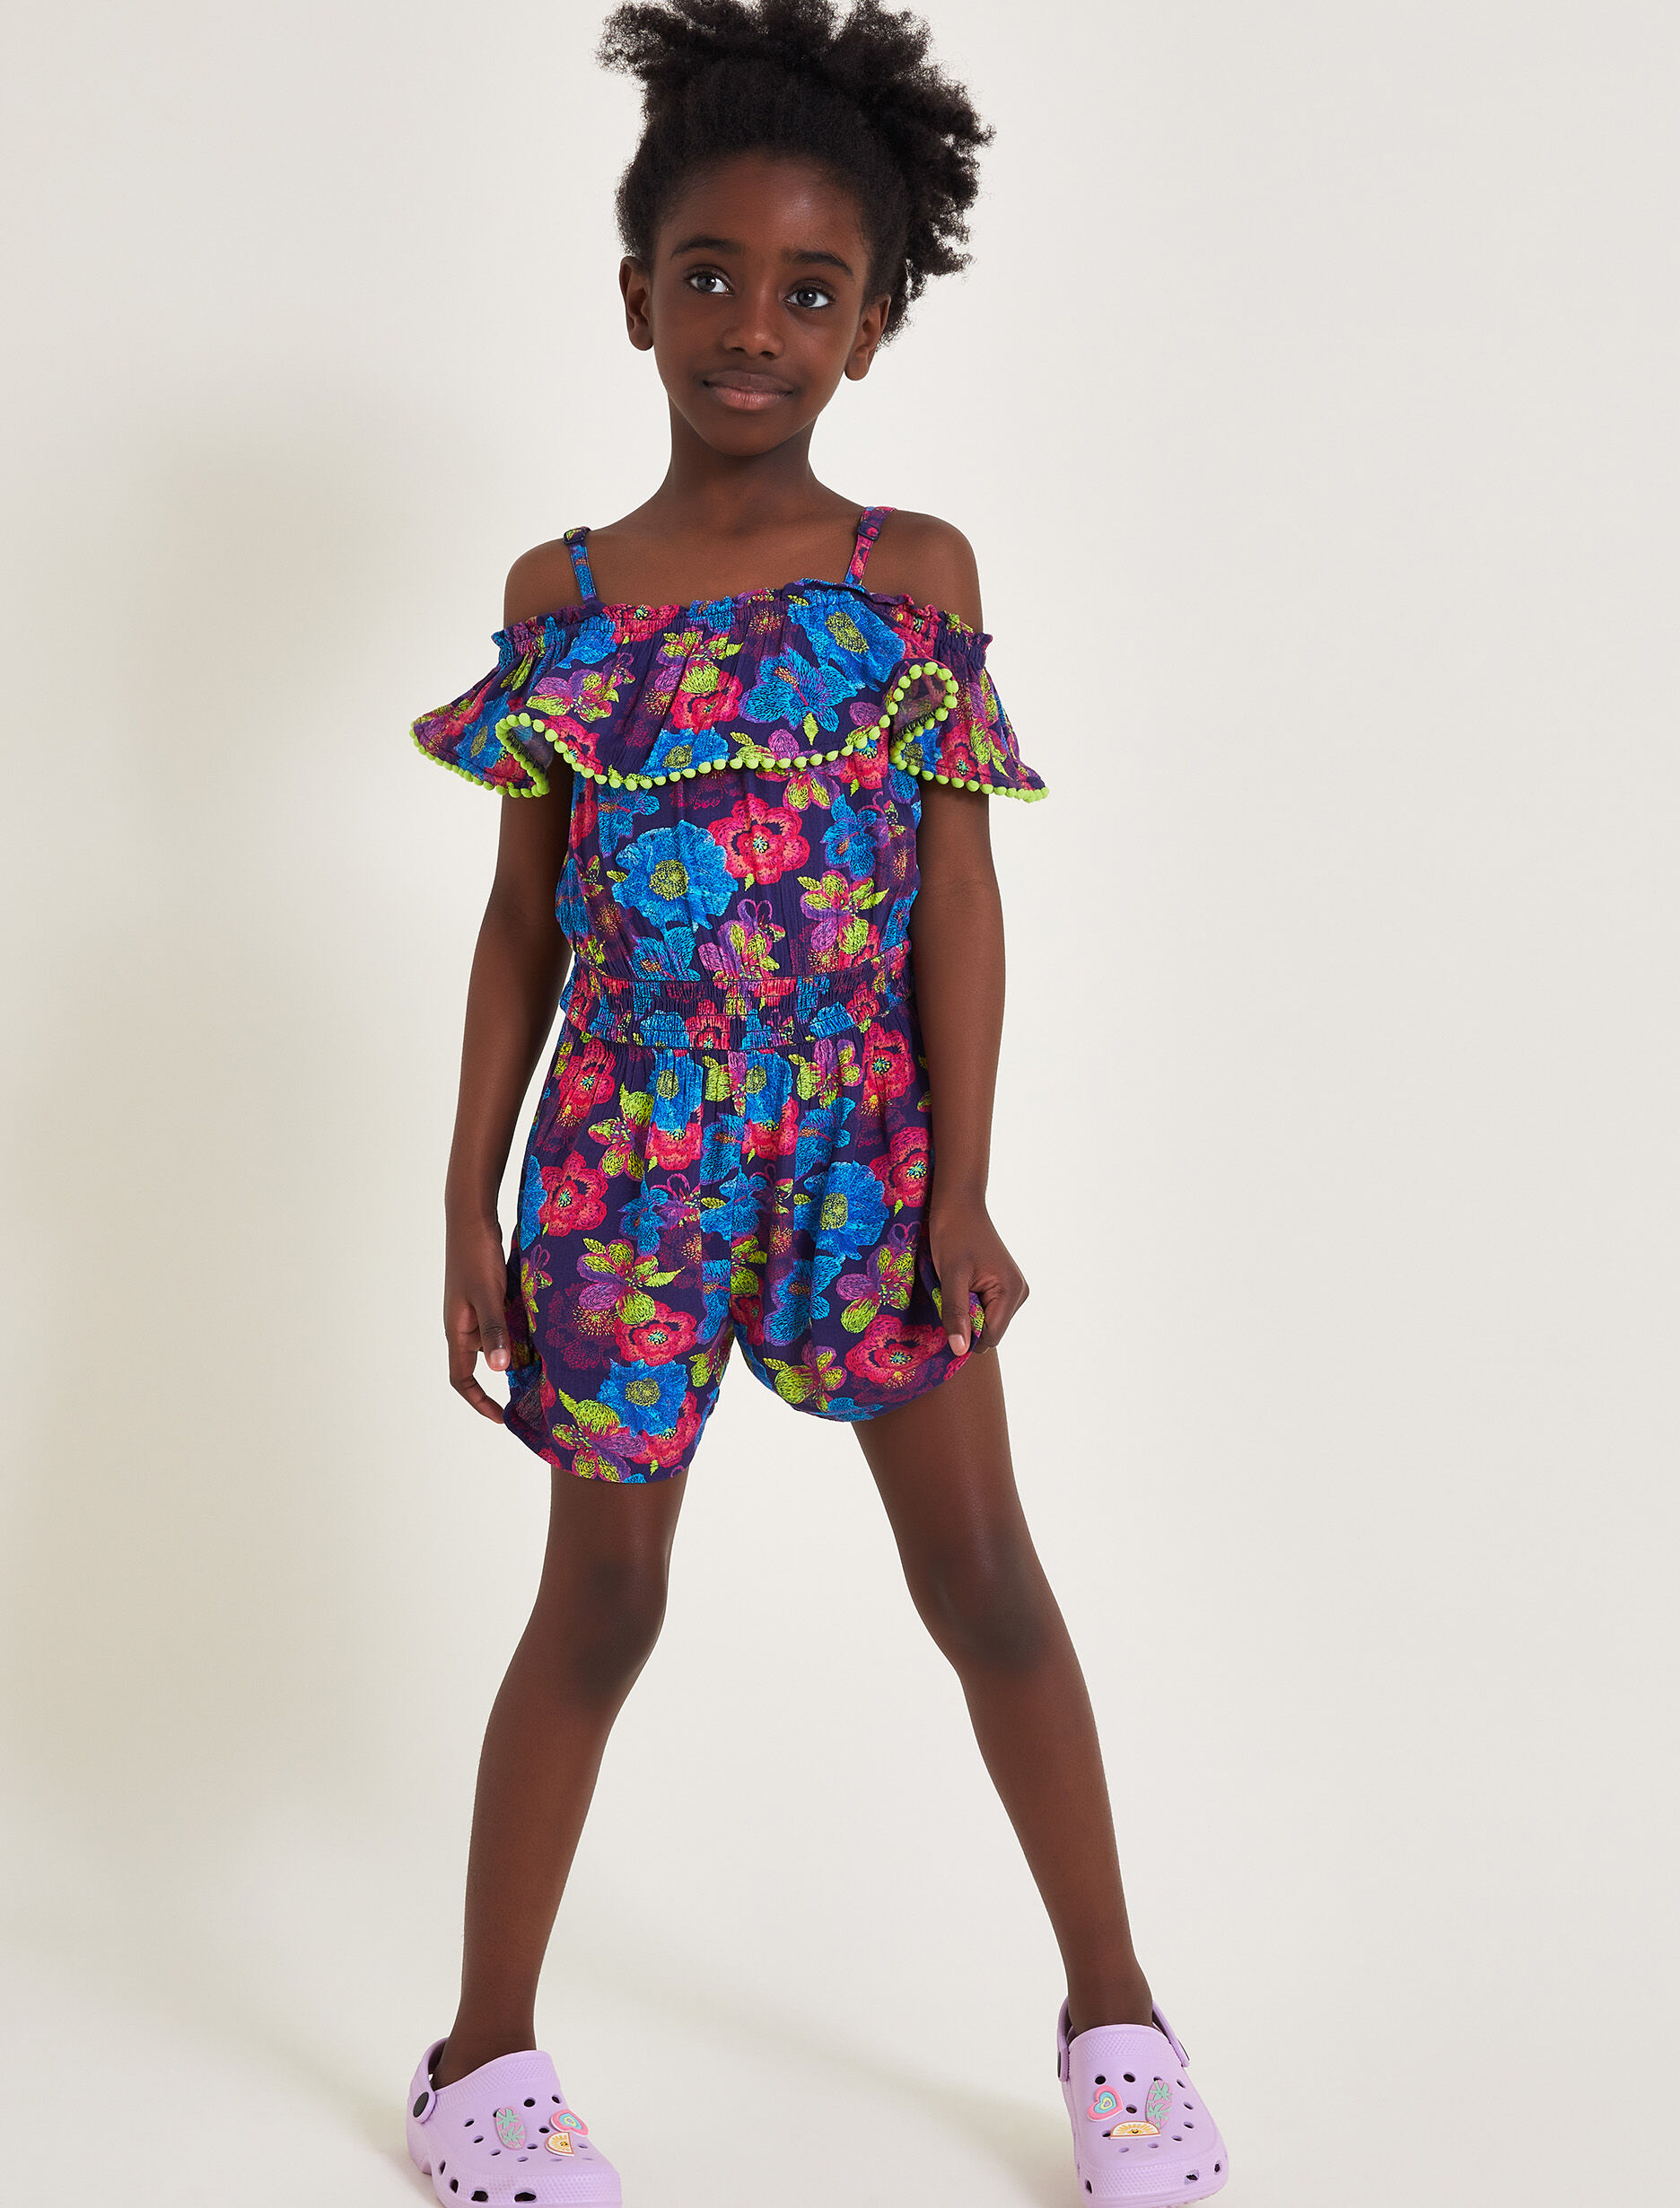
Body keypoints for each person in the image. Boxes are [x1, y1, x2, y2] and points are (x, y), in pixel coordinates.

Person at [402, 4, 1227, 2202]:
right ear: (634, 294)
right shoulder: (566, 602)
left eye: (806, 290)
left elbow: (956, 891)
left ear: (869, 328)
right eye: (708, 276)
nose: (749, 327)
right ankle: (480, 2062)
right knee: (601, 1608)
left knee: (988, 1581)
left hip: (868, 1160)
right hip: (623, 1174)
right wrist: (467, 1201)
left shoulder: (908, 580)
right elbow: (524, 927)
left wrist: (965, 1184)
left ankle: (1119, 2024)